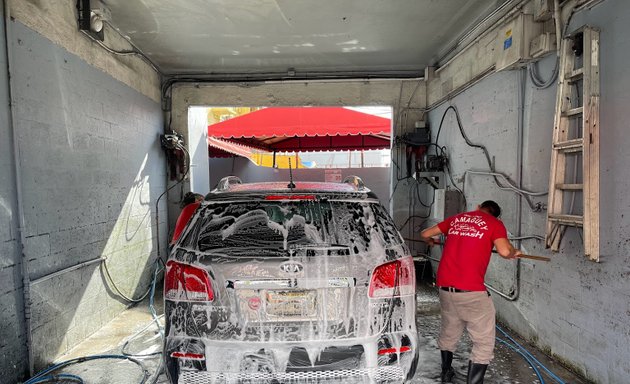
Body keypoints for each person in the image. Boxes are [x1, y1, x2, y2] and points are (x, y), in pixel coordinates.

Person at [420, 200, 521, 384]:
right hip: (471, 291)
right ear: (496, 216)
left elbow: (425, 233)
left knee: (449, 330)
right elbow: (505, 251)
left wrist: (430, 241)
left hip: (445, 289)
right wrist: (514, 252)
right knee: (483, 341)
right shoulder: (495, 224)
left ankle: (446, 372)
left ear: (478, 207)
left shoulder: (457, 219)